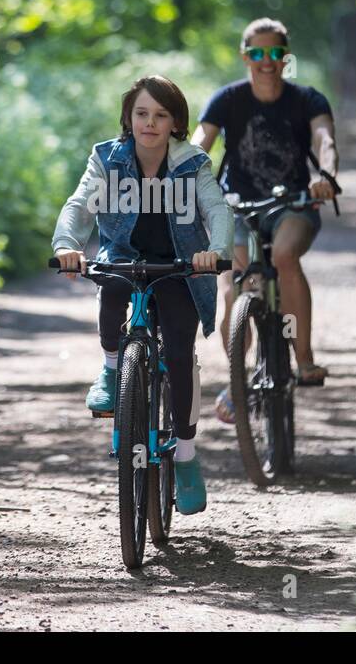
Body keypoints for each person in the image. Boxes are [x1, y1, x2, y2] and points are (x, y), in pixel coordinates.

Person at [52, 75, 233, 514]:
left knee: (177, 349)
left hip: (180, 264)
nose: (149, 123)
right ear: (128, 118)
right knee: (112, 287)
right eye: (141, 114)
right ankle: (114, 369)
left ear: (175, 123)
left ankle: (186, 456)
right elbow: (80, 204)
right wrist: (66, 245)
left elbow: (217, 209)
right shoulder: (107, 158)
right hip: (125, 257)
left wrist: (216, 251)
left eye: (161, 115)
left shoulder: (193, 163)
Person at [192, 18, 340, 423]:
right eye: (257, 53)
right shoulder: (227, 99)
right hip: (236, 205)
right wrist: (186, 177)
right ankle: (238, 382)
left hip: (292, 203)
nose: (266, 61)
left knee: (286, 256)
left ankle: (304, 359)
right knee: (232, 290)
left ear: (285, 57)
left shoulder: (307, 99)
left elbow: (324, 140)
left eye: (275, 53)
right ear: (246, 57)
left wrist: (324, 177)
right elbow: (199, 143)